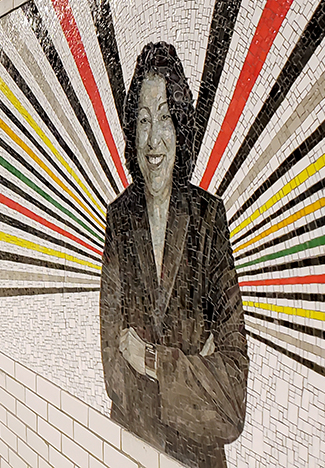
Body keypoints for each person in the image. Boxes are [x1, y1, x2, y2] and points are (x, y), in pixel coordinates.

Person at [100, 43, 248, 468]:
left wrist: (151, 360)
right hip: (132, 449)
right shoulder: (120, 220)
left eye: (164, 117)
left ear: (181, 126)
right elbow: (114, 371)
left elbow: (232, 399)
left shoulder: (208, 219)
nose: (153, 140)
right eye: (143, 120)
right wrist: (194, 369)